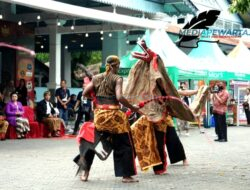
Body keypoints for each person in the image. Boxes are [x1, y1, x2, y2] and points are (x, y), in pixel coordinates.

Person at [82, 55, 139, 183]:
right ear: (116, 66)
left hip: (100, 117)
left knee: (93, 143)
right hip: (114, 117)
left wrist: (96, 100)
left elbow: (85, 93)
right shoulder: (117, 78)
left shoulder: (96, 78)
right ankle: (126, 176)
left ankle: (85, 172)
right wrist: (132, 107)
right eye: (118, 66)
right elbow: (119, 97)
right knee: (125, 145)